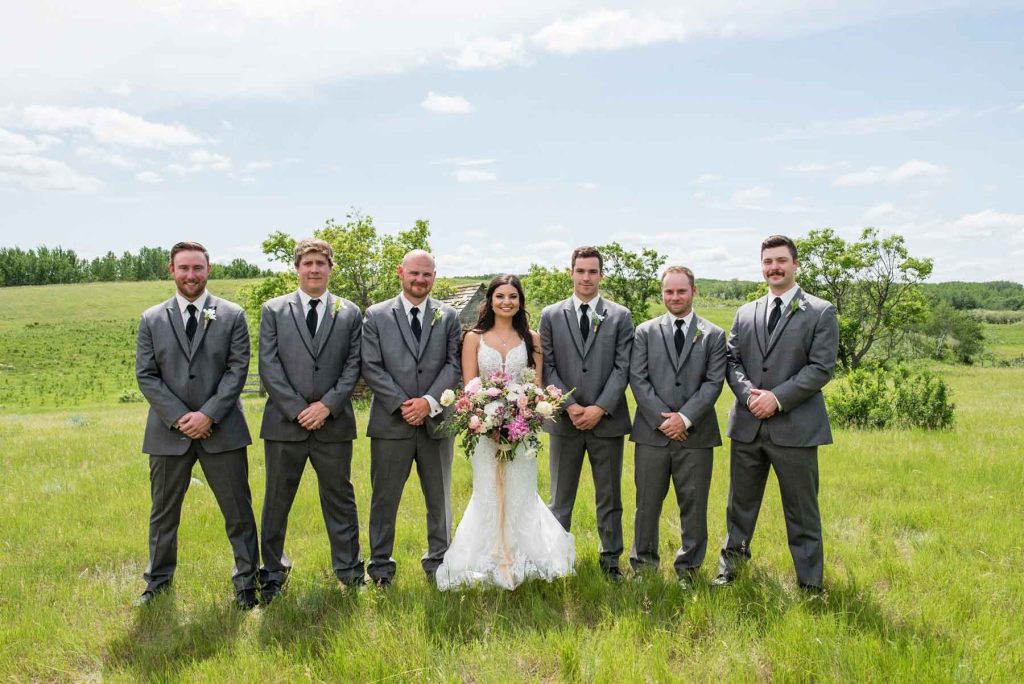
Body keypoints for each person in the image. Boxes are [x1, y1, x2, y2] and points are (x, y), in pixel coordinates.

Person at [134, 240, 260, 609]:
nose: (191, 275)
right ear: (171, 270)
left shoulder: (233, 315)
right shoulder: (151, 319)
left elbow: (238, 370)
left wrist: (208, 415)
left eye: (198, 268)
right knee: (163, 515)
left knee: (238, 512)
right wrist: (180, 418)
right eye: (184, 268)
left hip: (222, 431)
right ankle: (157, 583)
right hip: (167, 434)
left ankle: (246, 584)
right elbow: (147, 375)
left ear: (209, 270)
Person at [714, 235, 839, 592]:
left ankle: (810, 583)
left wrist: (777, 399)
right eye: (768, 262)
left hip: (796, 428)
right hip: (748, 426)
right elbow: (732, 360)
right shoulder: (746, 312)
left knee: (802, 512)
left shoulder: (820, 311)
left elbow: (820, 368)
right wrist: (750, 395)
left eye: (781, 261)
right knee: (739, 507)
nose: (774, 267)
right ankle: (730, 571)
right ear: (762, 266)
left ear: (795, 264)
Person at [436, 275, 575, 591]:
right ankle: (488, 558)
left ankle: (522, 558)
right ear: (490, 301)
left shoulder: (532, 339)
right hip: (484, 431)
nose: (507, 302)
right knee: (486, 492)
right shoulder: (474, 337)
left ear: (520, 301)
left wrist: (521, 420)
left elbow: (536, 388)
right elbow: (470, 387)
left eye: (513, 296)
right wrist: (485, 422)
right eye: (500, 296)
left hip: (522, 430)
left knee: (520, 493)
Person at [257, 238, 364, 603]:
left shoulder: (349, 312)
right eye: (308, 263)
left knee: (340, 499)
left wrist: (326, 406)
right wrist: (298, 408)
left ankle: (349, 571)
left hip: (333, 424)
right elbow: (268, 366)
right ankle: (272, 573)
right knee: (276, 500)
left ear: (331, 268)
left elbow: (353, 366)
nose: (314, 269)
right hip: (285, 424)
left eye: (321, 263)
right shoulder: (273, 310)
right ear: (297, 268)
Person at [361, 249, 461, 587]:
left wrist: (429, 402)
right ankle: (380, 568)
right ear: (400, 272)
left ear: (434, 276)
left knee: (440, 498)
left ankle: (439, 563)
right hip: (391, 423)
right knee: (384, 499)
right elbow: (371, 366)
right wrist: (404, 404)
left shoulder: (448, 316)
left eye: (427, 274)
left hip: (437, 423)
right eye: (414, 273)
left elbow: (454, 365)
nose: (420, 280)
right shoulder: (376, 315)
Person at [628, 266, 726, 587]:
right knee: (647, 505)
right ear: (662, 293)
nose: (674, 297)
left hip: (696, 435)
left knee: (694, 506)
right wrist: (664, 421)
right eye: (669, 291)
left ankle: (689, 570)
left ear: (694, 291)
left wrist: (684, 419)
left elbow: (713, 383)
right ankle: (643, 567)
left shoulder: (713, 334)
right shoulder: (644, 332)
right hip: (651, 435)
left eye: (681, 291)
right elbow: (638, 380)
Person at [539, 246, 633, 580]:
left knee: (609, 496)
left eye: (593, 272)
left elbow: (623, 367)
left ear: (601, 275)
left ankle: (610, 561)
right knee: (559, 497)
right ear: (571, 273)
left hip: (606, 422)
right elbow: (546, 365)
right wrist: (570, 405)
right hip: (565, 421)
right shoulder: (551, 314)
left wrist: (599, 407)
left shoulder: (620, 316)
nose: (586, 278)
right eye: (580, 271)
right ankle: (557, 561)